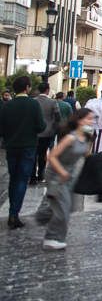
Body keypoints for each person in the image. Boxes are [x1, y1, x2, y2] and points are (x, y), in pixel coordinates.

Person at [34, 109, 95, 250]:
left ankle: (44, 215)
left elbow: (86, 154)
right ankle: (52, 238)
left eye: (92, 119)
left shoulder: (86, 137)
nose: (91, 122)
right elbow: (51, 156)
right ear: (80, 120)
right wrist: (61, 172)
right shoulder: (70, 138)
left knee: (66, 205)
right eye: (88, 119)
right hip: (57, 174)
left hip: (71, 174)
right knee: (63, 207)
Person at [0, 76, 46, 229]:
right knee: (21, 180)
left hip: (11, 146)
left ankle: (13, 210)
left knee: (14, 178)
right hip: (28, 147)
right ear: (27, 87)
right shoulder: (33, 105)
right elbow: (41, 126)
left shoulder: (7, 105)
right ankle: (14, 213)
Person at [33, 83, 61, 184]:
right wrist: (54, 127)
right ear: (47, 90)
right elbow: (58, 117)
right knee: (42, 154)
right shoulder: (52, 102)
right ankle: (41, 175)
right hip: (47, 132)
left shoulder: (33, 101)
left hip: (34, 132)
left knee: (33, 154)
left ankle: (32, 177)